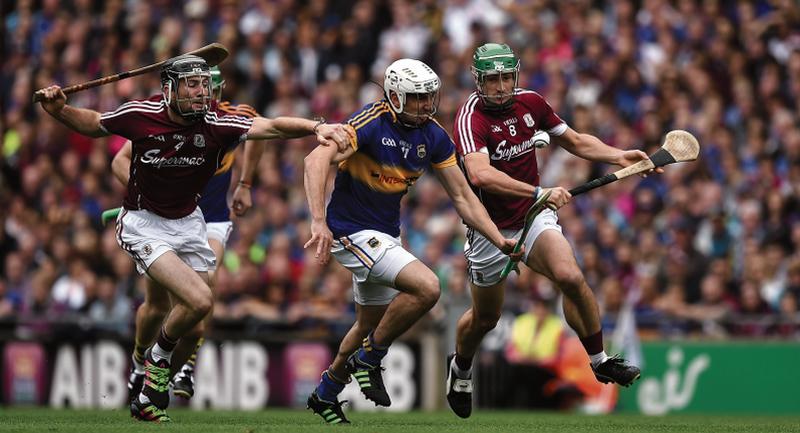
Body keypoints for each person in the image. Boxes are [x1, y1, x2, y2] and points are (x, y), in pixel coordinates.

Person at [36, 54, 351, 422]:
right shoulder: (141, 114)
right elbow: (93, 124)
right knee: (199, 300)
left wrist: (316, 127)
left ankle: (149, 394)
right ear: (168, 89)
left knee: (196, 321)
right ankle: (154, 363)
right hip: (143, 224)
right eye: (192, 85)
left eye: (204, 85)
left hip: (190, 223)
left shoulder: (216, 121)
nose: (201, 93)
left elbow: (273, 127)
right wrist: (59, 110)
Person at [302, 58, 522, 424]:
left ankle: (325, 392)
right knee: (427, 287)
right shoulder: (370, 123)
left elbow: (465, 198)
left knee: (366, 324)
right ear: (394, 96)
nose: (426, 105)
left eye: (429, 97)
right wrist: (317, 221)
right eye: (417, 98)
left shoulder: (433, 136)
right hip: (350, 231)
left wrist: (498, 239)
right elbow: (314, 160)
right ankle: (371, 358)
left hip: (386, 235)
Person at [446, 43, 644, 418]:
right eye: (493, 80)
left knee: (570, 275)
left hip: (533, 216)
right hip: (489, 227)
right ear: (478, 82)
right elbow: (480, 174)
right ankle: (461, 368)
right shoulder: (470, 118)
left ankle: (600, 360)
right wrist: (541, 191)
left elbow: (575, 141)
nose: (502, 86)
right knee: (485, 318)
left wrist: (619, 155)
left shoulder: (532, 103)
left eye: (507, 77)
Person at [106, 67, 267, 404]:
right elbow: (121, 162)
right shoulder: (165, 120)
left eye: (213, 90)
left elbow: (263, 134)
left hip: (211, 221)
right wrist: (147, 196)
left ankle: (183, 367)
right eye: (200, 88)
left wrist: (245, 183)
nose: (208, 97)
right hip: (163, 219)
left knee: (203, 292)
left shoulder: (229, 121)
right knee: (155, 306)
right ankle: (139, 363)